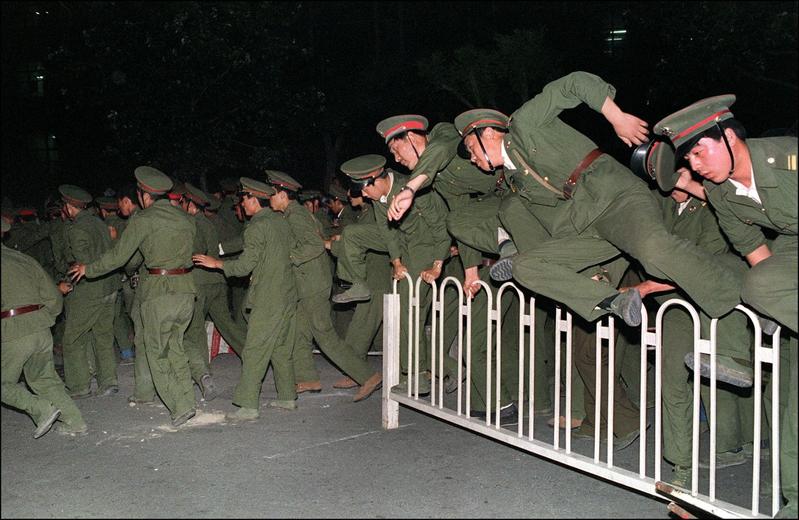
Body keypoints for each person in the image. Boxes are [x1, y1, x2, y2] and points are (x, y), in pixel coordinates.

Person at [452, 71, 745, 372]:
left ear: (488, 134)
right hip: (587, 225)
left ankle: (739, 307)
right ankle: (611, 301)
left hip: (614, 196)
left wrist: (616, 117)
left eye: (471, 148)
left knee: (654, 252)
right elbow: (553, 222)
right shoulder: (515, 181)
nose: (472, 158)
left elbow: (574, 83)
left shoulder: (525, 124)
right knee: (524, 266)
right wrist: (588, 274)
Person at [654, 95, 797, 517]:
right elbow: (759, 261)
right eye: (688, 157)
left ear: (730, 136)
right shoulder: (720, 194)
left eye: (700, 150)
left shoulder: (789, 158)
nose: (696, 164)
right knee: (757, 284)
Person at [69, 167, 198, 428]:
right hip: (186, 289)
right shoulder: (185, 218)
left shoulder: (144, 219)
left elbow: (121, 257)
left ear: (143, 195)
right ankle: (188, 399)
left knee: (155, 351)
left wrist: (88, 269)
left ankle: (180, 406)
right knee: (175, 347)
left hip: (159, 291)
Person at [333, 155, 451, 394]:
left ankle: (417, 375)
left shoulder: (417, 190)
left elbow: (442, 227)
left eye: (365, 191)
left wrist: (437, 265)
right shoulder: (380, 198)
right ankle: (358, 283)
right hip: (401, 242)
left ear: (377, 181)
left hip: (424, 246)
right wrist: (396, 262)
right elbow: (387, 233)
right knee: (352, 234)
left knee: (409, 309)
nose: (363, 196)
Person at [265, 170, 382, 402]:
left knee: (324, 334)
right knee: (300, 332)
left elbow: (314, 246)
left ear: (281, 195)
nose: (269, 200)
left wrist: (285, 257)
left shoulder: (296, 216)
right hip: (308, 282)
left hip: (312, 283)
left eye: (271, 195)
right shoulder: (295, 214)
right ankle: (308, 377)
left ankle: (368, 375)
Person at [193, 177, 298, 420]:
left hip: (268, 298)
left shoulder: (257, 226)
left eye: (244, 199)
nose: (241, 203)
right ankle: (287, 397)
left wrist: (216, 263)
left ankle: (248, 404)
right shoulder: (280, 221)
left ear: (254, 200)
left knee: (254, 350)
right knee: (281, 349)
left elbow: (245, 265)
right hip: (286, 293)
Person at [2, 215, 88, 438]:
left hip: (12, 331)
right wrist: (45, 320)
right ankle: (74, 421)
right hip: (40, 327)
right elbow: (52, 296)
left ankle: (41, 409)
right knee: (44, 378)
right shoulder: (24, 259)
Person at [179, 183, 247, 401]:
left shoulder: (192, 224)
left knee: (195, 328)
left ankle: (203, 374)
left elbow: (194, 253)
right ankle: (252, 356)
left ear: (190, 205)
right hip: (217, 281)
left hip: (200, 283)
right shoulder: (210, 222)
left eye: (182, 202)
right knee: (227, 324)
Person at [59, 184, 119, 398]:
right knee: (103, 334)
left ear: (68, 206)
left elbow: (82, 262)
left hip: (90, 289)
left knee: (73, 337)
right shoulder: (99, 222)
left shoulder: (77, 228)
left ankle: (78, 385)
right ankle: (109, 381)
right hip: (110, 286)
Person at [96, 196, 135, 364]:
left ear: (103, 211)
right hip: (126, 276)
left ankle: (120, 355)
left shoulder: (102, 227)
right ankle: (128, 350)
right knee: (125, 314)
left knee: (110, 317)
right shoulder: (126, 223)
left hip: (109, 277)